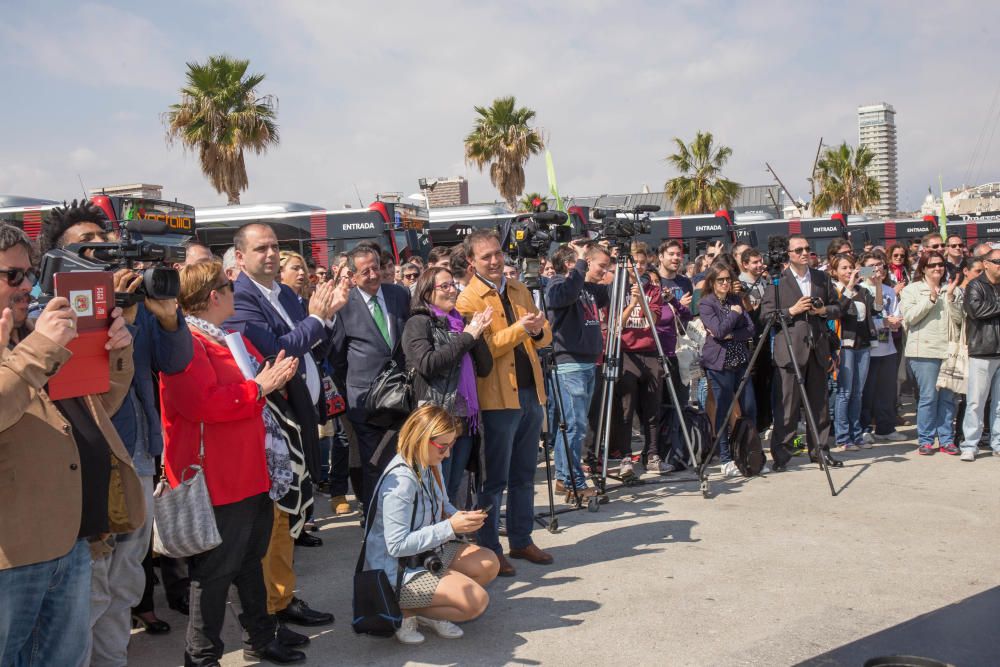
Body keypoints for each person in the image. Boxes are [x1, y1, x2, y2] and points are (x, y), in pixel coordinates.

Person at [0, 222, 145, 667]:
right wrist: (41, 347)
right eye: (13, 276)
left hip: (70, 542)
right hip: (13, 557)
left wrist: (116, 354)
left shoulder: (31, 336)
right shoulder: (37, 342)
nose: (27, 285)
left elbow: (96, 406)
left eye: (28, 273)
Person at [160, 261, 307, 665]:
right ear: (213, 296)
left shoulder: (223, 337)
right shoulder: (187, 343)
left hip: (247, 471)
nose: (235, 292)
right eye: (229, 286)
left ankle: (260, 638)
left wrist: (264, 380)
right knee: (214, 574)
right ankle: (202, 656)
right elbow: (200, 404)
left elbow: (256, 377)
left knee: (248, 563)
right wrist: (259, 387)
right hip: (217, 478)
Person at [225, 223, 345, 627]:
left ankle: (284, 596)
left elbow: (311, 345)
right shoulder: (241, 299)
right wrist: (314, 320)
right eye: (262, 249)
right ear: (240, 258)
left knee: (293, 515)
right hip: (276, 421)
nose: (272, 254)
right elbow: (278, 349)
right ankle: (272, 607)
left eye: (276, 246)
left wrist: (324, 320)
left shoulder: (285, 294)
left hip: (301, 415)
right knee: (276, 519)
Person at [456, 229, 553, 577]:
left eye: (498, 253)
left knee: (525, 474)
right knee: (494, 480)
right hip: (497, 399)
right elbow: (486, 348)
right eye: (487, 257)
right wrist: (522, 329)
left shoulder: (519, 289)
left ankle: (521, 538)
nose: (496, 261)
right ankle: (490, 549)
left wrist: (539, 329)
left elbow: (544, 338)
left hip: (530, 393)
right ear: (472, 262)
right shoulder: (468, 300)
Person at [363, 405, 499, 645]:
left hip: (425, 553)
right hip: (397, 569)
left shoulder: (428, 464)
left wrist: (463, 518)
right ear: (421, 438)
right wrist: (451, 527)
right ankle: (406, 612)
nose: (447, 454)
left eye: (451, 445)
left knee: (489, 563)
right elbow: (396, 546)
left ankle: (434, 600)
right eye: (443, 446)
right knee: (474, 602)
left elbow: (444, 504)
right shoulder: (402, 482)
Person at [402, 267, 494, 505]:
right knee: (435, 486)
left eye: (453, 284)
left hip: (464, 420)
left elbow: (484, 368)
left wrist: (477, 333)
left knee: (454, 484)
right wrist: (466, 337)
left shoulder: (461, 322)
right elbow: (427, 364)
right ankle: (435, 535)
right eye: (445, 286)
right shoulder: (419, 323)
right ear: (427, 292)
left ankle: (451, 533)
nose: (452, 290)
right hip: (437, 418)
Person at [331, 244, 412, 512]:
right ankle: (374, 514)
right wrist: (353, 389)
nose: (374, 274)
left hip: (400, 397)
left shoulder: (398, 294)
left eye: (376, 267)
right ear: (353, 277)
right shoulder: (344, 305)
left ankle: (399, 513)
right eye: (366, 271)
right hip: (365, 400)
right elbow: (337, 357)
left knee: (403, 459)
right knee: (373, 461)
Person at [760, 235, 844, 471]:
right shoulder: (778, 280)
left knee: (819, 407)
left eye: (807, 249)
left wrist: (823, 310)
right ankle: (783, 455)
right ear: (789, 254)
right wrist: (791, 311)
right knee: (787, 407)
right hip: (789, 352)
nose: (805, 253)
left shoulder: (821, 277)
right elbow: (766, 316)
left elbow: (838, 309)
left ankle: (820, 452)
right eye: (798, 250)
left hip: (817, 349)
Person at [544, 242, 609, 498]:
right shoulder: (558, 284)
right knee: (575, 426)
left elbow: (612, 289)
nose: (603, 270)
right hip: (569, 363)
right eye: (598, 265)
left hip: (586, 362)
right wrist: (583, 262)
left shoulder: (586, 287)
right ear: (573, 263)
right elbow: (567, 295)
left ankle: (564, 477)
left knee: (571, 425)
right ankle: (574, 482)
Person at [900, 251, 964, 456]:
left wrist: (952, 297)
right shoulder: (911, 290)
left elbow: (960, 320)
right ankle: (925, 440)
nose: (937, 268)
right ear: (923, 268)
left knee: (947, 398)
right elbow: (910, 317)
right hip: (924, 351)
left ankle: (946, 439)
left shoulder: (952, 289)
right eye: (932, 265)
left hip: (948, 350)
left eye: (940, 264)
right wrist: (931, 298)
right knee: (928, 397)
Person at [698, 262, 757, 476]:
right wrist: (734, 316)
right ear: (712, 282)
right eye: (720, 280)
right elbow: (718, 331)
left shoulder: (735, 299)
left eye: (727, 279)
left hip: (740, 360)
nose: (725, 283)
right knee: (722, 409)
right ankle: (725, 458)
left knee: (748, 407)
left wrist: (732, 332)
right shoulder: (706, 303)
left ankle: (749, 452)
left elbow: (750, 329)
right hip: (718, 363)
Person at [614, 241, 664, 478]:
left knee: (652, 408)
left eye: (643, 263)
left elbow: (653, 319)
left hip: (650, 351)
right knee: (626, 408)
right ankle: (625, 455)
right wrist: (632, 302)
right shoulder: (616, 289)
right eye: (636, 263)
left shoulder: (653, 288)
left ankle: (652, 453)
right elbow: (617, 324)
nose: (640, 267)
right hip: (626, 353)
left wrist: (642, 299)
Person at [828, 253, 877, 452]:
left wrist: (878, 282)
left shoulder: (862, 290)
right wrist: (848, 288)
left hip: (863, 344)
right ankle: (842, 437)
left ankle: (856, 435)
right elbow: (838, 311)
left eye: (851, 267)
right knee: (844, 392)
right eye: (844, 268)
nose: (849, 271)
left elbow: (877, 308)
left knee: (857, 392)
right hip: (843, 345)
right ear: (834, 272)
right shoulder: (832, 290)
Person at [858, 252, 907, 443]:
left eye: (879, 265)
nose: (876, 269)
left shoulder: (888, 290)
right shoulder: (860, 289)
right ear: (862, 268)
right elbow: (868, 317)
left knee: (886, 391)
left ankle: (886, 428)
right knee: (867, 392)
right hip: (867, 348)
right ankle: (864, 428)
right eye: (871, 266)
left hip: (887, 347)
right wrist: (885, 321)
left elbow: (894, 313)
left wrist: (895, 322)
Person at [656, 240, 694, 471]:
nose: (676, 258)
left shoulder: (684, 281)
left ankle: (676, 451)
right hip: (659, 349)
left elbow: (688, 315)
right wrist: (676, 304)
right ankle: (658, 453)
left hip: (680, 349)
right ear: (660, 256)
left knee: (680, 404)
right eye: (671, 254)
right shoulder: (654, 281)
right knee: (660, 406)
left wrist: (680, 307)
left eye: (679, 255)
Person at [958, 248, 1000, 461]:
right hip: (982, 349)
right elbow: (976, 311)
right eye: (997, 261)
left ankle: (998, 442)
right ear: (986, 264)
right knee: (976, 401)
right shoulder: (975, 285)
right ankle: (970, 444)